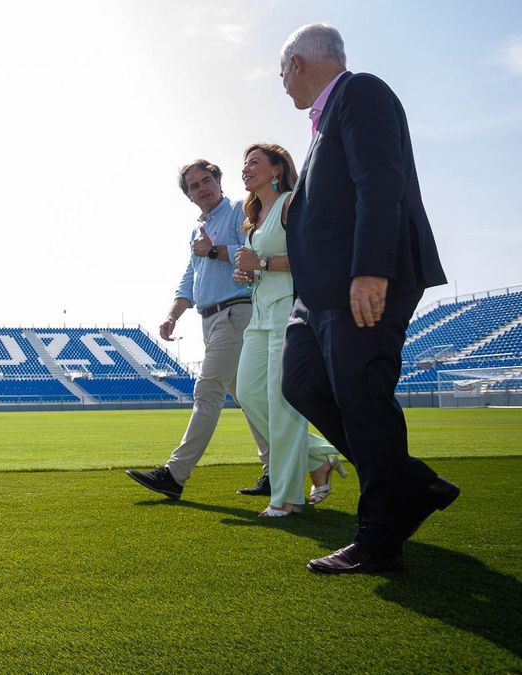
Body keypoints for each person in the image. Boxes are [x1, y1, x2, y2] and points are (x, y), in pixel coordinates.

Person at [275, 24, 457, 574]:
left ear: (299, 64)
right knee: (302, 383)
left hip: (363, 281)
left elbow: (381, 181)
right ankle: (411, 483)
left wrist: (370, 271)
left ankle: (379, 539)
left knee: (362, 397)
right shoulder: (323, 121)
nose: (282, 85)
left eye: (282, 73)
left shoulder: (362, 93)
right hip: (319, 295)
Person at [126, 160, 270, 500]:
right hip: (211, 318)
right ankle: (277, 468)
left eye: (208, 180)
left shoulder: (238, 210)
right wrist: (173, 314)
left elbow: (255, 252)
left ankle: (174, 475)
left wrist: (215, 250)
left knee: (207, 391)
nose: (203, 187)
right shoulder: (196, 229)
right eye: (195, 185)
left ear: (219, 181)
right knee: (248, 398)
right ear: (189, 196)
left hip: (237, 311)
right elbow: (190, 277)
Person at [230, 143, 345, 518]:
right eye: (244, 164)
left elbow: (312, 258)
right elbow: (259, 270)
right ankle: (319, 455)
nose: (246, 169)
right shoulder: (253, 217)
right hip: (258, 316)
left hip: (286, 314)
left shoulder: (290, 204)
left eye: (254, 162)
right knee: (248, 393)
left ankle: (287, 499)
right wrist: (248, 273)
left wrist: (260, 261)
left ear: (277, 169)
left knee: (282, 405)